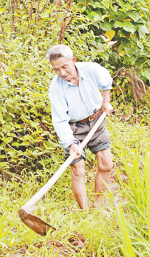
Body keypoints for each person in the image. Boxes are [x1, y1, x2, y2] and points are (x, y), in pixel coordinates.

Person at [46, 45, 114, 209]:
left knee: (106, 165)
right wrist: (71, 143)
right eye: (56, 69)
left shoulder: (91, 70)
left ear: (73, 61)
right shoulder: (56, 88)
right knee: (78, 168)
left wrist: (106, 101)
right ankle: (84, 212)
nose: (62, 73)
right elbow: (60, 121)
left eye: (64, 67)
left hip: (96, 121)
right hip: (73, 129)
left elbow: (106, 81)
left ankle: (97, 206)